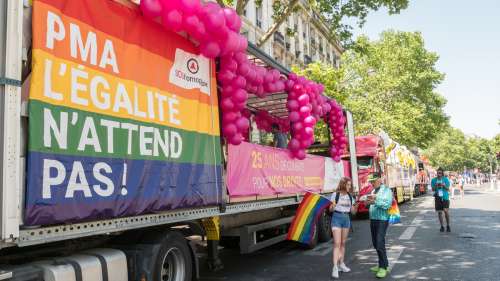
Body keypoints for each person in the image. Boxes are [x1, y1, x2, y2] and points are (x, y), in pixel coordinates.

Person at [364, 173, 393, 279]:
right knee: (375, 243)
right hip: (373, 219)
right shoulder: (373, 191)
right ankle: (381, 264)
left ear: (380, 179)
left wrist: (374, 201)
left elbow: (387, 204)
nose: (372, 183)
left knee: (380, 242)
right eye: (371, 181)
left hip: (382, 219)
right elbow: (370, 203)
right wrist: (367, 203)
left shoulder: (386, 190)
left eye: (374, 181)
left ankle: (384, 267)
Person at [329, 177, 357, 279]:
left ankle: (341, 264)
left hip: (346, 219)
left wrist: (355, 207)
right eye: (348, 184)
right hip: (336, 218)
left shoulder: (350, 196)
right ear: (343, 184)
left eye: (350, 185)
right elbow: (331, 209)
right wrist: (332, 206)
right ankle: (335, 267)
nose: (350, 186)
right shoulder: (335, 195)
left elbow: (353, 212)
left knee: (343, 243)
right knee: (337, 243)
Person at [431, 168, 451, 232]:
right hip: (438, 197)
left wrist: (444, 185)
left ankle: (448, 225)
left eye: (440, 173)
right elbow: (433, 189)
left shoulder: (445, 179)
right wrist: (436, 185)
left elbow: (448, 189)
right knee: (440, 212)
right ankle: (442, 226)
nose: (439, 174)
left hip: (445, 197)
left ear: (442, 173)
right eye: (438, 173)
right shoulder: (433, 180)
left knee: (446, 211)